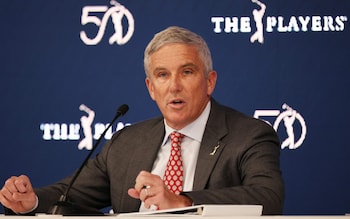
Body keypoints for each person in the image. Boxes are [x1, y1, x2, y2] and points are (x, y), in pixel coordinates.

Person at [0, 26, 284, 215]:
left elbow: (267, 197)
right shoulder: (127, 142)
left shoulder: (249, 135)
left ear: (209, 82)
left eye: (187, 72)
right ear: (151, 88)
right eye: (162, 75)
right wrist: (30, 200)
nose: (174, 86)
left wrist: (183, 202)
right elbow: (70, 194)